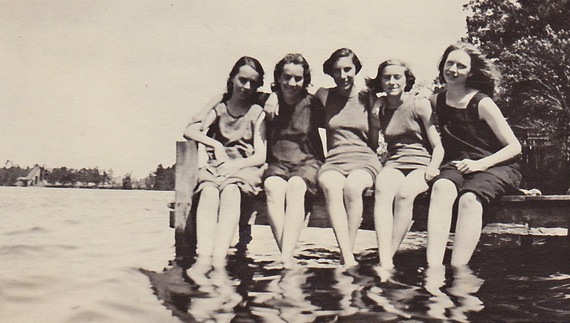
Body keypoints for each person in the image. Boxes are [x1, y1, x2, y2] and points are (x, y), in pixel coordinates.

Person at [427, 43, 522, 266]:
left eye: (461, 66)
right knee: (441, 187)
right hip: (458, 164)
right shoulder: (436, 101)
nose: (453, 69)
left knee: (469, 199)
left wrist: (481, 164)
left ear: (470, 72)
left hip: (496, 165)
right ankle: (433, 270)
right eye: (449, 63)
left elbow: (514, 147)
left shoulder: (482, 102)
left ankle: (459, 270)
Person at [183, 56, 267, 277]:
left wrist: (236, 164)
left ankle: (219, 260)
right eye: (242, 80)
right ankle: (203, 258)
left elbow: (260, 155)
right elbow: (190, 130)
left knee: (230, 191)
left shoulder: (257, 112)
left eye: (252, 82)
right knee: (209, 192)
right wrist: (214, 144)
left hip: (243, 169)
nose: (246, 86)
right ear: (232, 79)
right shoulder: (220, 108)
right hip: (216, 168)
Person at [367, 59, 444, 270]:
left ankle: (387, 258)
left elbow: (438, 145)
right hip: (394, 162)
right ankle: (385, 258)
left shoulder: (418, 104)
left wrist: (433, 167)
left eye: (397, 77)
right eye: (386, 77)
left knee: (404, 195)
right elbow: (374, 142)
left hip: (421, 163)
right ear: (380, 81)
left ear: (406, 79)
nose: (392, 82)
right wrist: (376, 109)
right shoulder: (379, 109)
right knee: (382, 190)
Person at [315, 48, 382, 268]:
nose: (343, 75)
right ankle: (347, 256)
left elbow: (373, 139)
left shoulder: (368, 97)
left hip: (363, 159)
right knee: (331, 185)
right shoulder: (324, 95)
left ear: (356, 69)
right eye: (337, 70)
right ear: (331, 72)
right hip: (334, 159)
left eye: (348, 69)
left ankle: (346, 255)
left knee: (353, 187)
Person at [263, 53, 325, 268]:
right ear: (278, 78)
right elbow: (230, 97)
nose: (292, 83)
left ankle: (285, 260)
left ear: (305, 80)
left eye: (298, 78)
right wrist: (272, 95)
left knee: (296, 186)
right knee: (272, 186)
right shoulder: (268, 101)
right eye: (286, 77)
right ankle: (287, 257)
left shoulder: (313, 104)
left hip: (308, 163)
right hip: (278, 164)